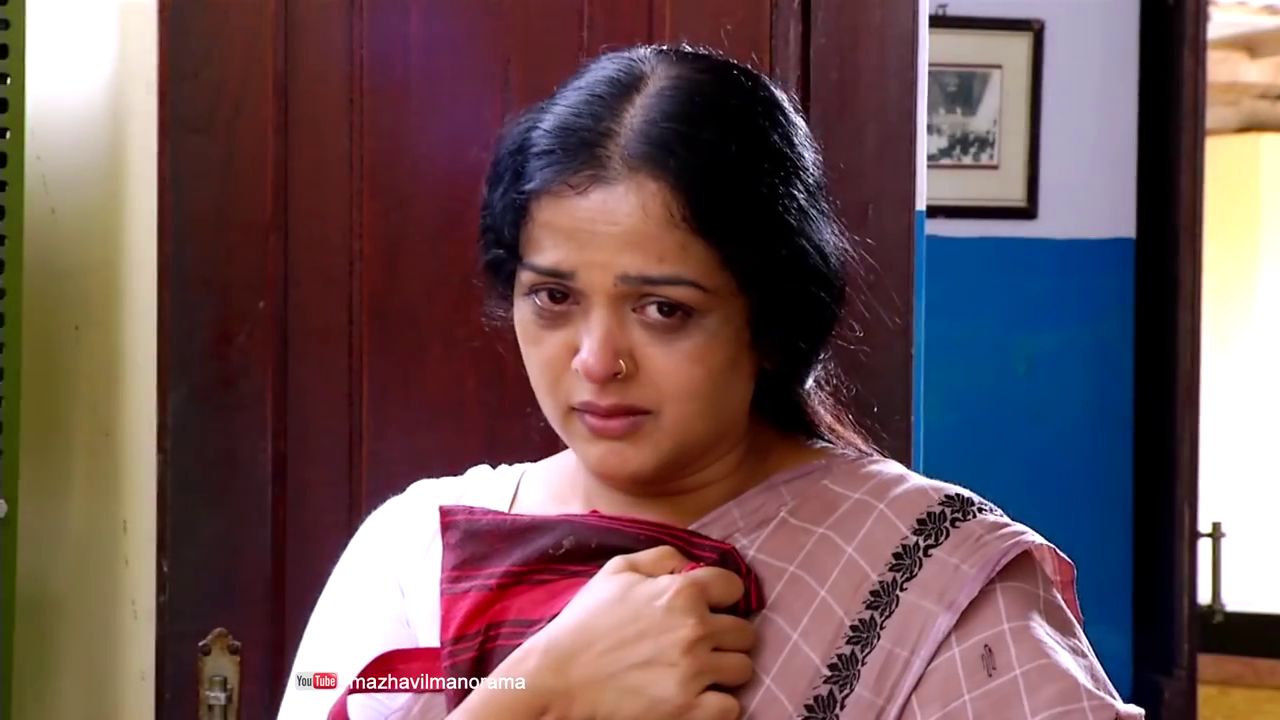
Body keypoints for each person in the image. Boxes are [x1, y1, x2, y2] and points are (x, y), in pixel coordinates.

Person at [277, 44, 1143, 720]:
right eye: (554, 298)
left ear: (770, 318)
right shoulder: (414, 549)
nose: (596, 360)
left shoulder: (932, 578)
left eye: (663, 309)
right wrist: (544, 689)